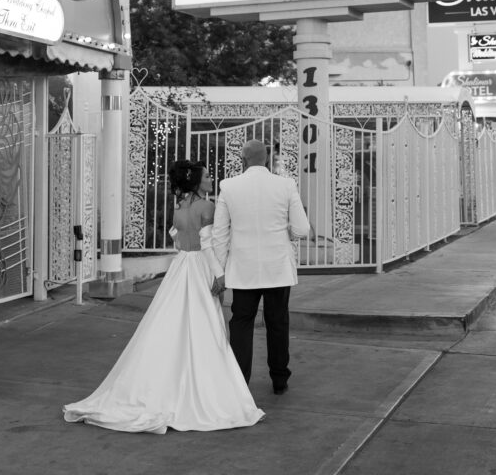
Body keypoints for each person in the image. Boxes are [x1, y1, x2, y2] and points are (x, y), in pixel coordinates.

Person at [63, 159, 265, 434]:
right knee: (205, 324)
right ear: (196, 181)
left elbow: (177, 240)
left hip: (181, 266)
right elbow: (208, 245)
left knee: (171, 320)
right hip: (199, 266)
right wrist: (220, 275)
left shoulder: (179, 208)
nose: (210, 179)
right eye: (206, 176)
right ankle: (204, 386)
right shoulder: (208, 207)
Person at [212, 139, 310, 395]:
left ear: (243, 160)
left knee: (241, 322)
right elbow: (302, 228)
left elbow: (220, 235)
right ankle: (280, 379)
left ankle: (239, 382)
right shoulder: (285, 184)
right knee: (277, 322)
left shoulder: (228, 187)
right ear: (266, 159)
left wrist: (219, 271)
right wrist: (287, 231)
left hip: (243, 269)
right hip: (277, 267)